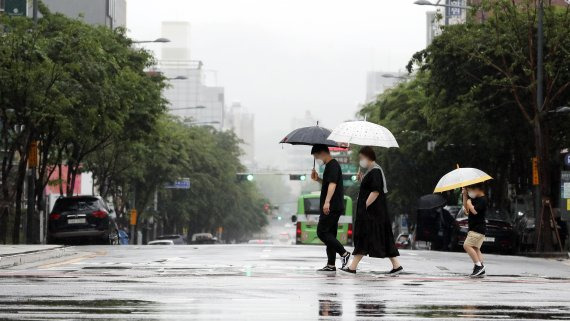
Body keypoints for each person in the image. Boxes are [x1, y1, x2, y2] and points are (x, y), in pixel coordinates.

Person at [341, 146, 402, 275]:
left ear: (368, 157)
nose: (360, 161)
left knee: (365, 237)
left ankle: (352, 267)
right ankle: (396, 266)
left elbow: (375, 191)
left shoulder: (375, 171)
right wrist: (362, 180)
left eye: (361, 158)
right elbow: (370, 188)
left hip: (372, 214)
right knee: (380, 238)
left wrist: (365, 205)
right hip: (374, 214)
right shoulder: (371, 171)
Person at [310, 144, 351, 272]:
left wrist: (327, 202)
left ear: (322, 153)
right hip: (333, 205)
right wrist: (318, 179)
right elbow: (328, 184)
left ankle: (344, 253)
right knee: (331, 234)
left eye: (316, 156)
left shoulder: (333, 165)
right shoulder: (329, 166)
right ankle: (331, 264)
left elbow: (332, 185)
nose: (317, 159)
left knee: (321, 232)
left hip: (332, 206)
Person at [462, 183, 487, 278]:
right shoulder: (474, 199)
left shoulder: (483, 200)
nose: (469, 192)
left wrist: (469, 203)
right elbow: (466, 209)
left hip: (478, 228)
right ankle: (481, 266)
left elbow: (474, 211)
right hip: (474, 228)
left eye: (470, 190)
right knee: (476, 248)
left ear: (477, 189)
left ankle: (478, 266)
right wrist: (465, 196)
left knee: (467, 245)